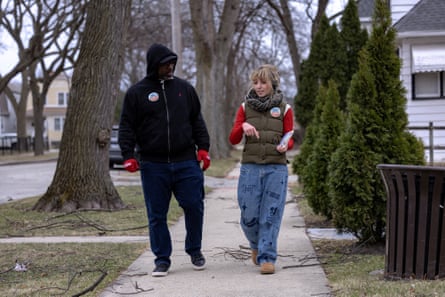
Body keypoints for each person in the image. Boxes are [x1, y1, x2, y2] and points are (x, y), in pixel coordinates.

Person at [118, 43, 211, 277]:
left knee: (194, 206)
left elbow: (197, 122)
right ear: (154, 65)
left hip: (186, 161)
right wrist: (128, 155)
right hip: (153, 164)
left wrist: (204, 149)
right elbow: (127, 127)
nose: (170, 67)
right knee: (157, 214)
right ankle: (162, 259)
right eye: (165, 64)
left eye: (172, 63)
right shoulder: (136, 93)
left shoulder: (185, 89)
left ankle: (195, 250)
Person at [229, 64, 294, 275]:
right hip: (250, 168)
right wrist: (242, 127)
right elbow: (233, 139)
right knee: (248, 215)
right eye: (255, 82)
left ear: (272, 83)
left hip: (276, 169)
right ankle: (256, 245)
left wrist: (286, 145)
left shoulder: (285, 109)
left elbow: (290, 136)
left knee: (271, 214)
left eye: (263, 82)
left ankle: (267, 257)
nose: (258, 86)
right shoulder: (244, 107)